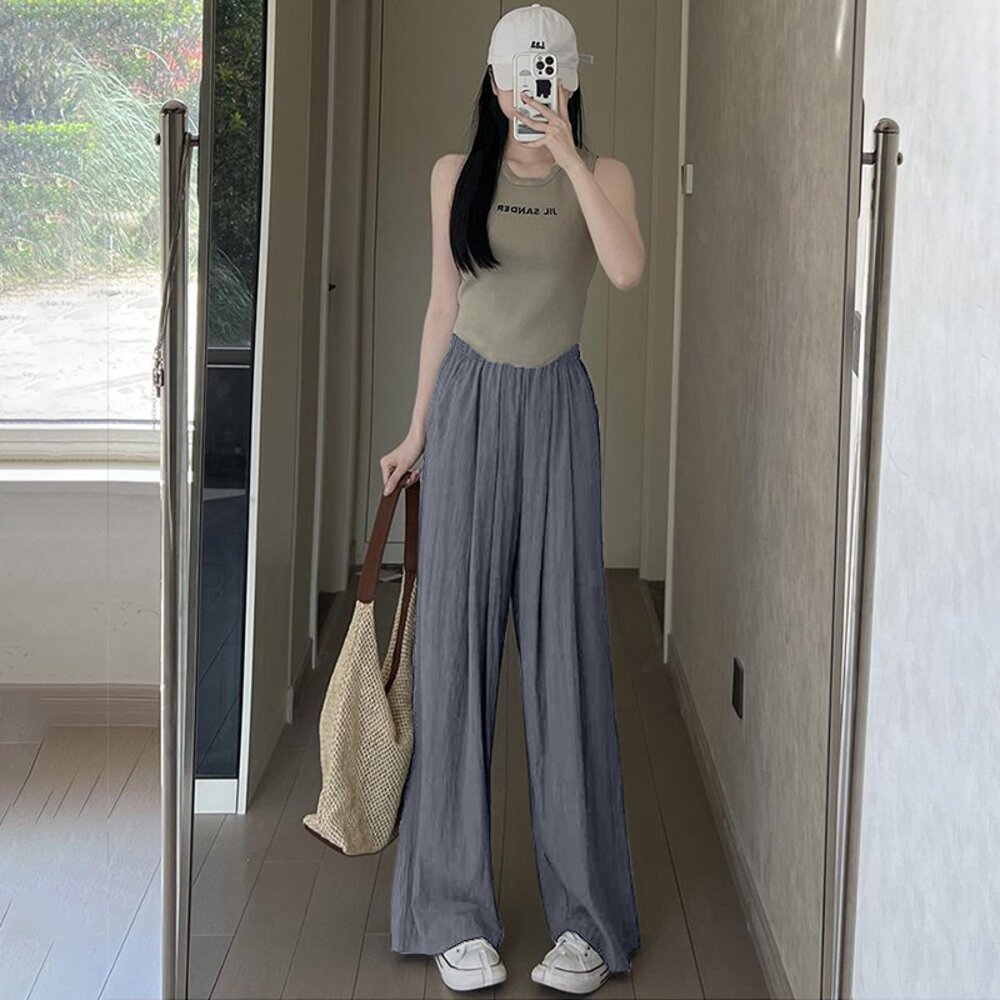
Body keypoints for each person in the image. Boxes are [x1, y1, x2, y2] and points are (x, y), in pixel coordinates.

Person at [381, 4, 643, 994]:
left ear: (570, 81)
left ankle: (586, 920)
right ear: (491, 82)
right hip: (469, 406)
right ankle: (452, 909)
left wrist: (569, 157)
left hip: (558, 411)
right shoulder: (455, 175)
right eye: (515, 79)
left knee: (566, 651)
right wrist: (416, 432)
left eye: (548, 78)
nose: (529, 95)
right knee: (451, 652)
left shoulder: (604, 177)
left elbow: (626, 269)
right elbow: (442, 307)